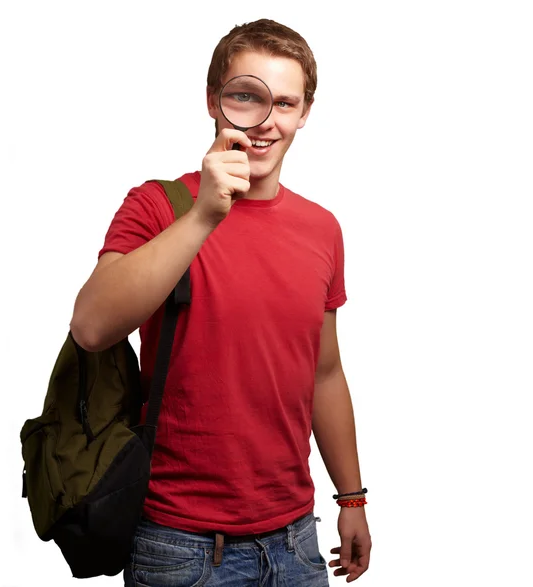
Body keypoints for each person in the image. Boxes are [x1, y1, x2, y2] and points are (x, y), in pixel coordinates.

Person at [70, 18, 371, 586]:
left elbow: (324, 372)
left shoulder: (322, 228)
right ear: (214, 100)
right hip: (179, 547)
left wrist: (351, 498)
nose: (265, 121)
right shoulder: (159, 205)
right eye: (245, 97)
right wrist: (205, 213)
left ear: (305, 112)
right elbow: (91, 325)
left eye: (284, 103)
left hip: (295, 544)